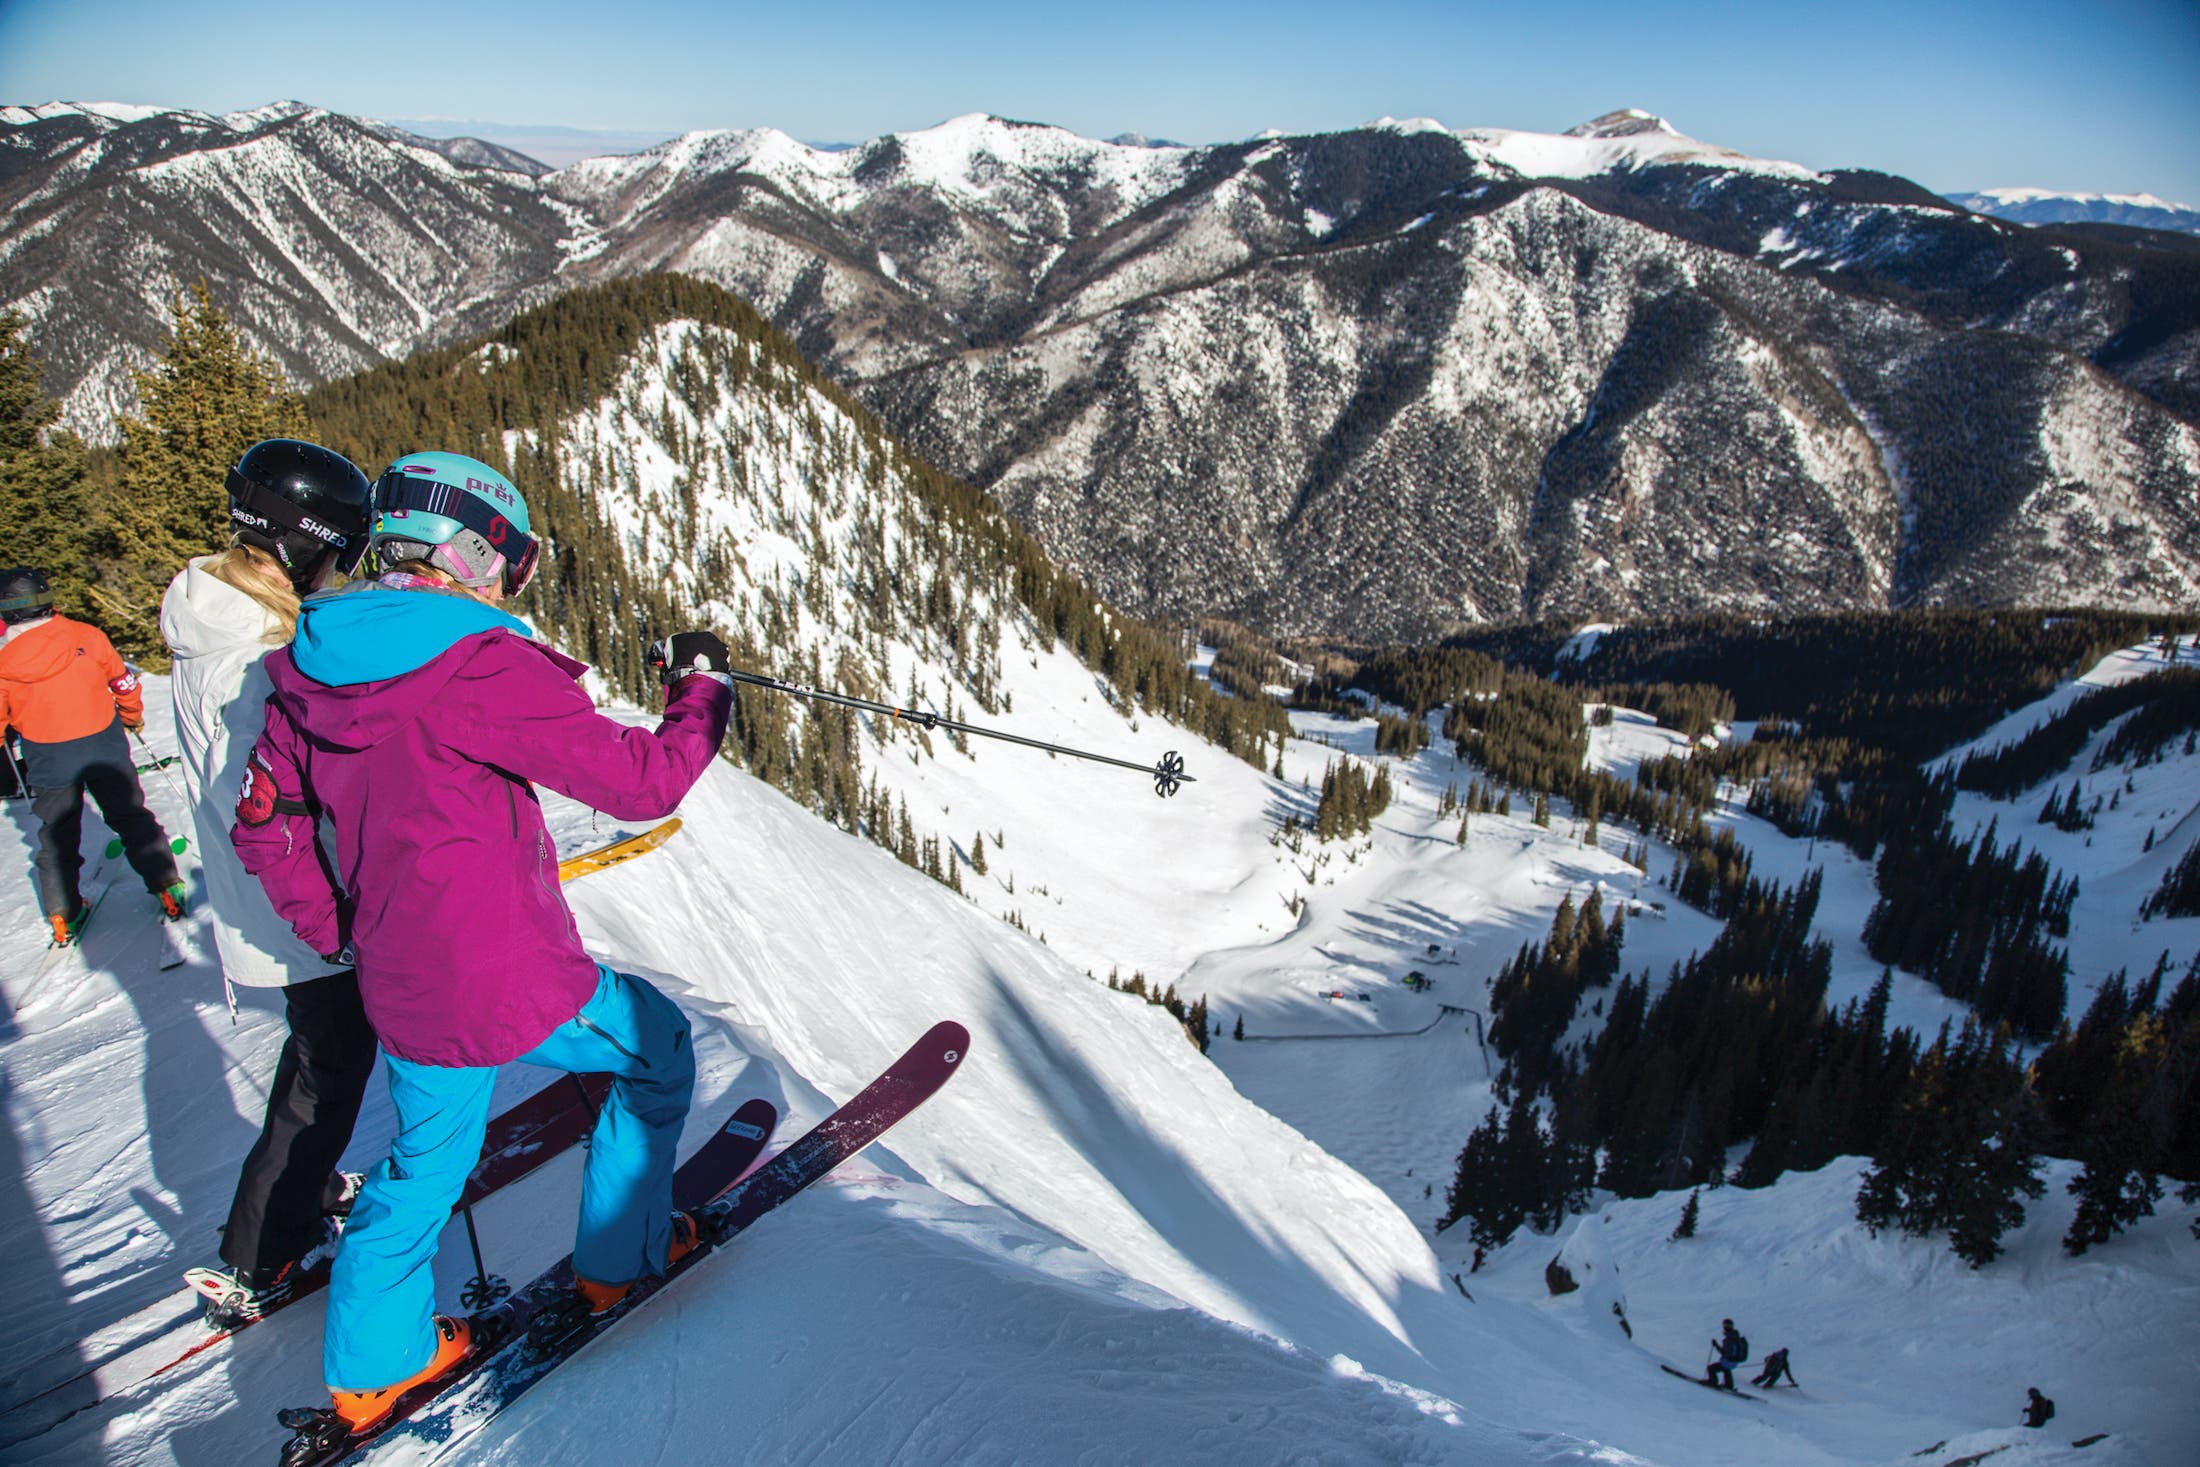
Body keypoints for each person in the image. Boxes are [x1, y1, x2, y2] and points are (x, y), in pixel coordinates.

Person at [233, 450, 733, 1435]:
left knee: (423, 1168)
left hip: (404, 987)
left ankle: (375, 1371)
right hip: (513, 975)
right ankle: (616, 1263)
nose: (513, 580)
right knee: (658, 1052)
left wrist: (337, 929)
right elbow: (641, 785)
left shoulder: (306, 664)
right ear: (471, 552)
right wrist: (701, 695)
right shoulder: (480, 661)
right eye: (512, 557)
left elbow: (268, 825)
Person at [160, 439, 380, 1323]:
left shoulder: (217, 614)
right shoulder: (252, 658)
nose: (339, 572)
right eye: (337, 553)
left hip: (273, 895)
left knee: (318, 1057)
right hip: (299, 901)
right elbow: (282, 801)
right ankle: (264, 1250)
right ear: (307, 542)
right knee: (326, 1073)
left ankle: (308, 1192)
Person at [0, 565, 183, 943]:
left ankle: (63, 913)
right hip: (103, 742)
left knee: (56, 834)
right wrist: (132, 715)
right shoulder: (85, 635)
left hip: (46, 752)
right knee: (130, 815)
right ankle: (165, 884)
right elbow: (122, 681)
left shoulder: (4, 661)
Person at [1706, 1317, 1748, 1390]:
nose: (1725, 1327)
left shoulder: (1730, 1338)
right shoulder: (1736, 1337)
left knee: (1711, 1368)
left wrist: (1716, 1345)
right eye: (1725, 1325)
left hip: (1728, 1361)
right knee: (1726, 1369)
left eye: (1727, 1325)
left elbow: (1725, 1353)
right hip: (1734, 1362)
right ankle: (1729, 1385)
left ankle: (1712, 1382)